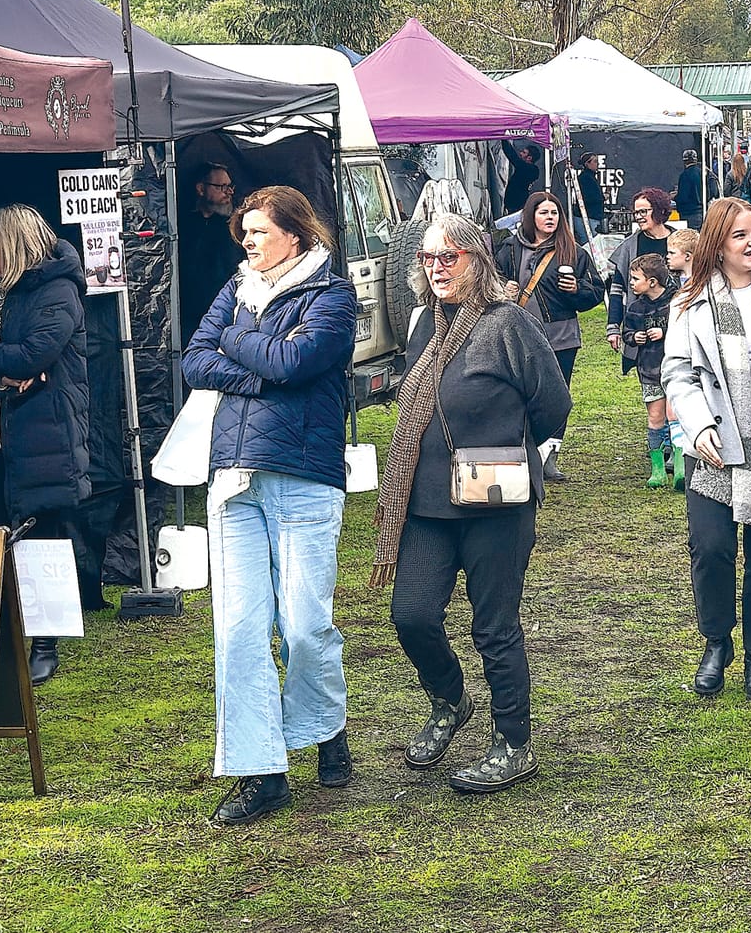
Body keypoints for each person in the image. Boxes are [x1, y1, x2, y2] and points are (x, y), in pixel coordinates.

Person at [371, 214, 571, 794]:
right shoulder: (423, 327)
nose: (437, 267)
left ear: (476, 261)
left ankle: (513, 743)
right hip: (426, 504)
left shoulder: (506, 323)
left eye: (449, 256)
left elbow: (552, 402)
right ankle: (449, 699)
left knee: (494, 628)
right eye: (429, 258)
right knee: (411, 616)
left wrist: (508, 449)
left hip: (495, 503)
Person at [182, 186, 359, 826]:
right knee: (236, 630)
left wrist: (240, 344)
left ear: (295, 233)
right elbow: (194, 362)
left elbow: (296, 360)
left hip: (305, 474)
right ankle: (262, 771)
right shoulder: (236, 291)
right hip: (232, 477)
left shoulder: (333, 296)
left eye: (259, 232)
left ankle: (324, 723)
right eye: (245, 233)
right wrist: (257, 368)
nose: (248, 243)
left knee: (306, 624)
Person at [664, 199, 751, 702]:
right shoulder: (689, 302)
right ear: (717, 246)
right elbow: (678, 373)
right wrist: (698, 424)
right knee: (711, 548)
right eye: (740, 236)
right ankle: (716, 642)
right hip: (714, 444)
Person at [0, 205, 92, 687]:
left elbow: (35, 353)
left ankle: (45, 643)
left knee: (41, 536)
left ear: (11, 243)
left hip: (42, 432)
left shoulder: (59, 290)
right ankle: (0, 639)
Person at [493, 190, 606, 392]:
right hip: (519, 335)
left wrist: (577, 289)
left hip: (560, 338)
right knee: (520, 394)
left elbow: (596, 290)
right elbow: (492, 281)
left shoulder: (573, 251)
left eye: (554, 213)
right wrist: (504, 288)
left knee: (556, 396)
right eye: (544, 213)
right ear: (531, 216)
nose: (550, 218)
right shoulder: (510, 248)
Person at [605, 189, 676, 390]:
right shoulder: (629, 246)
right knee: (650, 386)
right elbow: (617, 290)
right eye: (636, 213)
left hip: (676, 324)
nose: (639, 217)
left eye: (644, 211)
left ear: (660, 210)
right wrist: (613, 327)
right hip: (642, 326)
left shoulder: (679, 241)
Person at [620, 255, 680, 490]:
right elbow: (628, 332)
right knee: (655, 418)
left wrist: (664, 332)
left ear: (652, 282)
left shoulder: (675, 302)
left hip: (674, 368)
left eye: (636, 279)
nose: (631, 283)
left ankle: (679, 464)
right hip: (649, 369)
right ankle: (657, 469)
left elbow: (686, 327)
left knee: (675, 416)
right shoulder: (635, 308)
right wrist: (635, 337)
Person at [180, 164, 244, 339]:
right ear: (201, 189)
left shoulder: (237, 227)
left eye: (230, 186)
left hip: (227, 316)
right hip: (187, 318)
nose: (229, 192)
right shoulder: (180, 225)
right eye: (222, 187)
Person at [501, 141, 543, 218]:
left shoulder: (526, 168)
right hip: (519, 202)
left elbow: (512, 156)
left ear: (529, 158)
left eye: (524, 152)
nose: (520, 153)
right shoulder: (532, 170)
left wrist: (503, 139)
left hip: (516, 202)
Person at [573, 153, 608, 242]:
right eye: (595, 161)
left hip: (590, 216)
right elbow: (587, 198)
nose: (597, 164)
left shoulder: (589, 177)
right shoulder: (585, 178)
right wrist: (603, 197)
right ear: (587, 164)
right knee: (589, 243)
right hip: (587, 217)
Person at [675, 149, 706, 229]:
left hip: (688, 213)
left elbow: (683, 197)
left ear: (684, 161)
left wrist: (674, 197)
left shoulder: (685, 175)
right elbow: (713, 191)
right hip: (702, 212)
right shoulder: (703, 173)